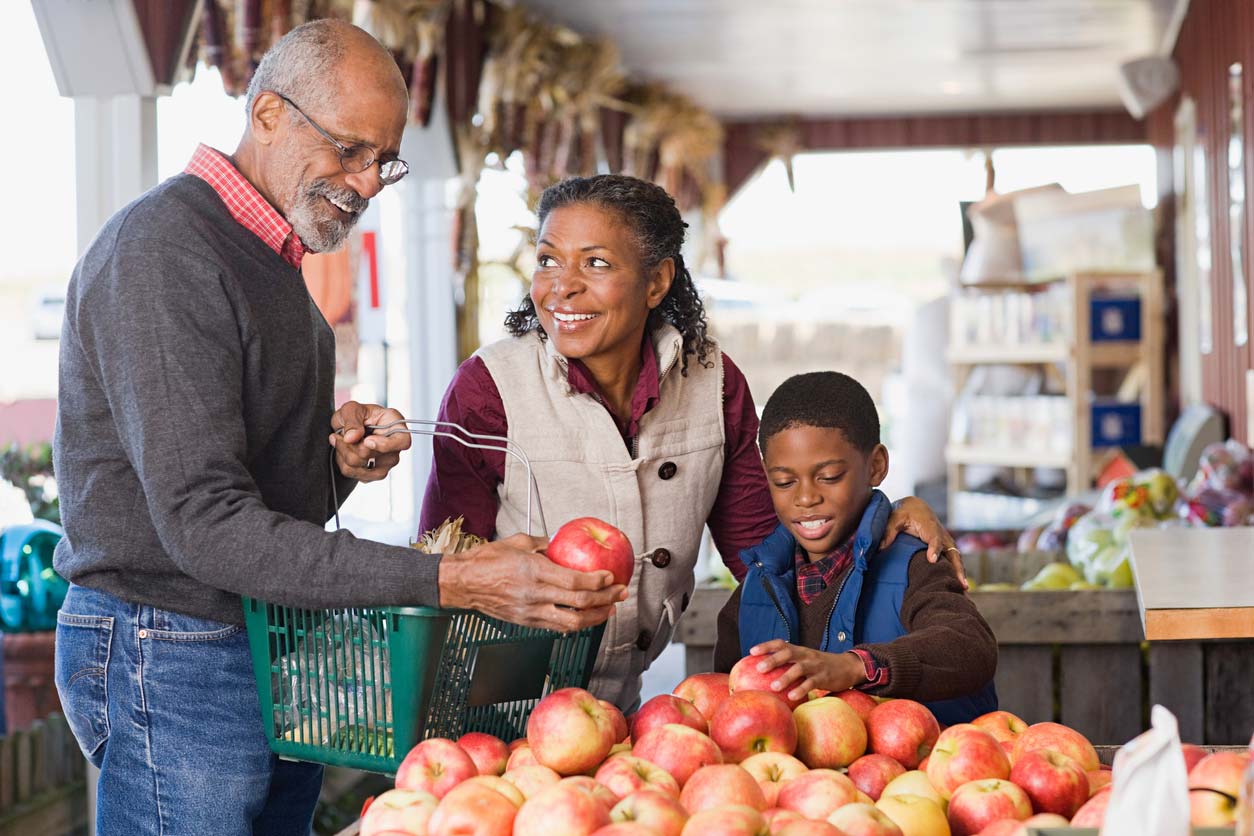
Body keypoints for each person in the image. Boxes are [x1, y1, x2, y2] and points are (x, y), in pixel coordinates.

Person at [52, 21, 622, 836]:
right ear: (271, 115)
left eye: (383, 161)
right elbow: (205, 527)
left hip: (250, 638)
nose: (367, 182)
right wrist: (453, 582)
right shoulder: (166, 251)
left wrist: (337, 468)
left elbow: (253, 499)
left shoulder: (270, 257)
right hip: (167, 644)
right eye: (350, 150)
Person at [420, 174, 964, 712]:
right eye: (547, 260)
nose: (561, 285)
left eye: (597, 263)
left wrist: (884, 515)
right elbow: (441, 567)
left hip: (617, 710)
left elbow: (770, 556)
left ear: (657, 282)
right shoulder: (488, 388)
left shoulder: (713, 384)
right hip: (491, 702)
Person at [713, 372, 998, 725]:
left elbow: (970, 646)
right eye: (784, 482)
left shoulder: (913, 564)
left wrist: (855, 666)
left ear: (876, 466)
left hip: (927, 774)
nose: (805, 497)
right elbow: (726, 706)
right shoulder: (754, 592)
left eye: (829, 476)